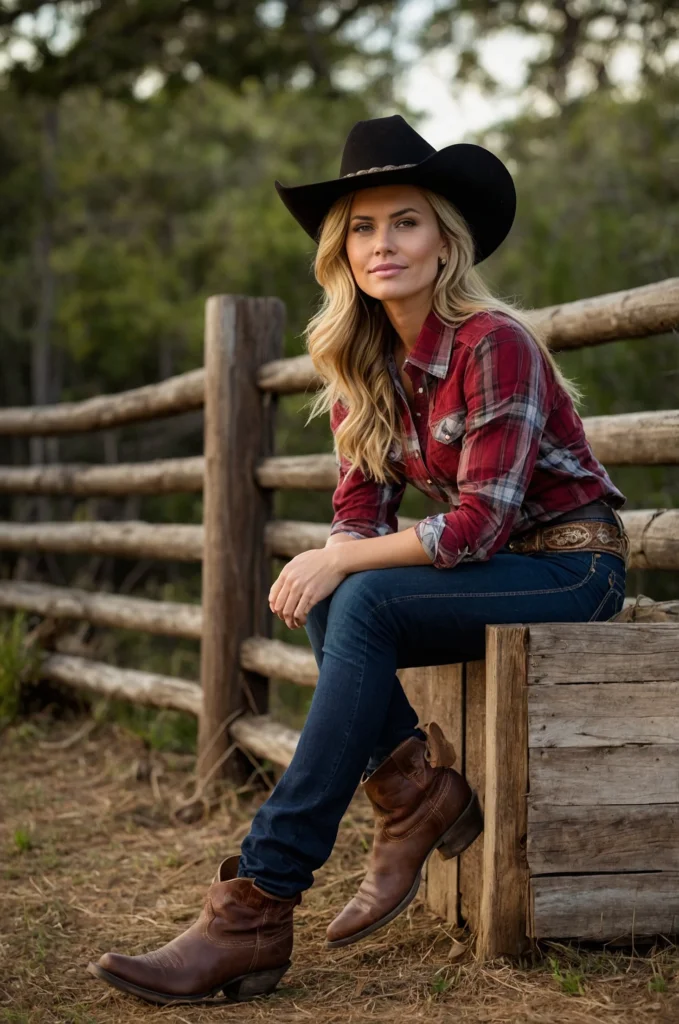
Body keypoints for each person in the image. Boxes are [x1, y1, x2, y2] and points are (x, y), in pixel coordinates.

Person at [87, 114, 630, 1006]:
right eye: (363, 228)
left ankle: (262, 896)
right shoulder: (361, 361)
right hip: (489, 571)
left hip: (572, 569)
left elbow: (476, 530)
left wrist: (337, 562)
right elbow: (357, 511)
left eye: (406, 220)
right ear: (342, 252)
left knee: (358, 595)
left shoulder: (494, 343)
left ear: (444, 241)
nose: (384, 243)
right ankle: (412, 796)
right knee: (346, 598)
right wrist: (334, 560)